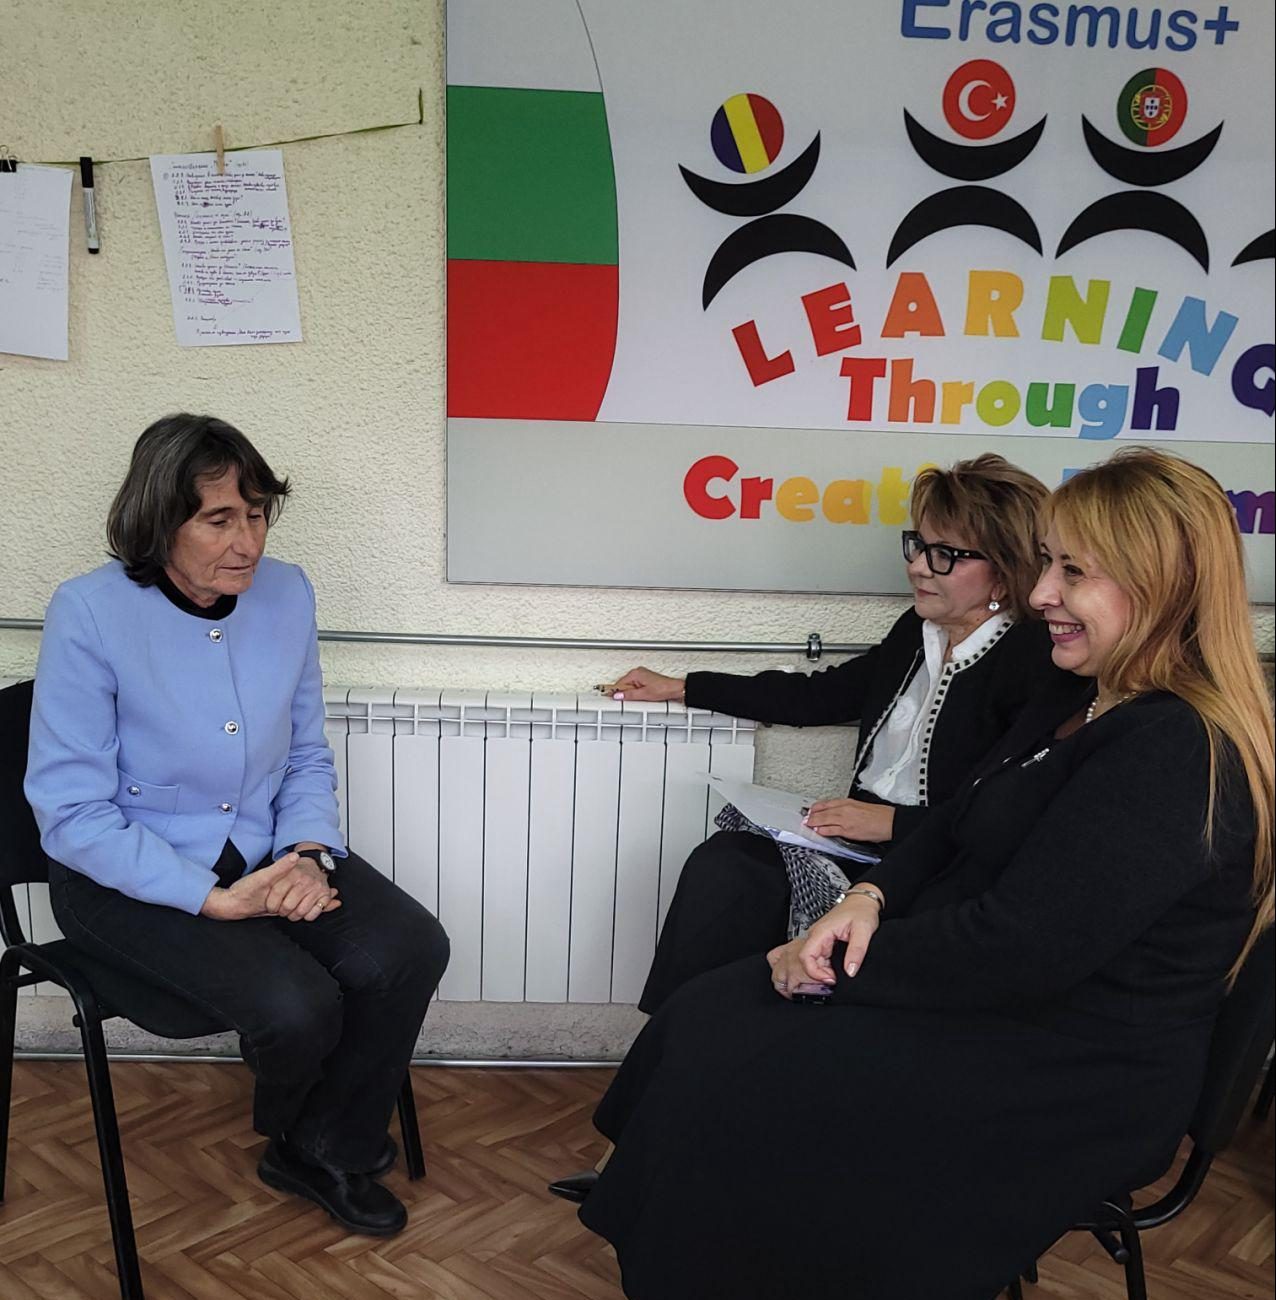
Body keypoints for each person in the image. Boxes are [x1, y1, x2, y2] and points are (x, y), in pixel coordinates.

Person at [570, 448, 1273, 1300]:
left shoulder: (1177, 749)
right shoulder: (1083, 696)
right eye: (1047, 563)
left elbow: (1020, 948)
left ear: (1161, 586)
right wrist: (869, 896)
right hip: (1006, 1005)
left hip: (1073, 1069)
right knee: (712, 1010)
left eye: (1072, 571)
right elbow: (956, 819)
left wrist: (830, 963)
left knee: (741, 1063)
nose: (1042, 593)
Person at [25, 414, 450, 1238]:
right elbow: (72, 814)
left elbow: (305, 752)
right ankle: (304, 1132)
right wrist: (213, 900)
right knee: (298, 1005)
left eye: (257, 514)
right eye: (219, 519)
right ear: (159, 520)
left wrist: (306, 852)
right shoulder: (90, 612)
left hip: (261, 847)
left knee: (407, 947)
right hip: (122, 875)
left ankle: (319, 1145)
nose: (247, 542)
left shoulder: (287, 592)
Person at [615, 454, 1065, 1015]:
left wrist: (892, 824)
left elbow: (1009, 814)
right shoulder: (917, 632)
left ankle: (740, 1040)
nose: (918, 567)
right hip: (853, 842)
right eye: (918, 546)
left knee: (758, 897)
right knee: (726, 867)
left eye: (945, 555)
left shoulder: (1033, 661)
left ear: (1005, 568)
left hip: (933, 863)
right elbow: (818, 695)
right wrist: (683, 686)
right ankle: (682, 1032)